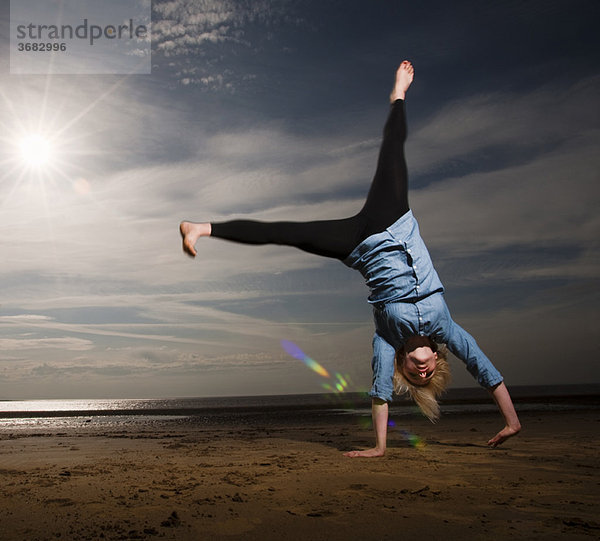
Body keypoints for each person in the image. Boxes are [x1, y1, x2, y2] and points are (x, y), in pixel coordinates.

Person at [180, 61, 521, 457]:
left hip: (357, 246)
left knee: (288, 233)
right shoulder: (447, 329)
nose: (422, 372)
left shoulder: (386, 340)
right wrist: (512, 421)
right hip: (394, 220)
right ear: (437, 362)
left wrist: (378, 448)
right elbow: (485, 370)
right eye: (428, 374)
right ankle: (398, 95)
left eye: (415, 377)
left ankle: (201, 227)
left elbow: (379, 392)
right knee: (393, 147)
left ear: (403, 366)